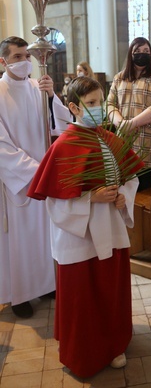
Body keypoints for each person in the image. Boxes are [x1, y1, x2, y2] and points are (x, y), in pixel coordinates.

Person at [27, 76, 144, 377]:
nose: (98, 109)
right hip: (78, 237)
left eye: (100, 102)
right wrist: (89, 198)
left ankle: (114, 343)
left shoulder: (111, 139)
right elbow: (53, 201)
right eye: (91, 104)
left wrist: (123, 196)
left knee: (109, 290)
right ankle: (82, 352)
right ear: (73, 108)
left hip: (111, 229)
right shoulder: (63, 146)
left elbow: (132, 177)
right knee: (82, 297)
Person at [0, 36, 70, 318]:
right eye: (17, 57)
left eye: (26, 55)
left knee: (45, 233)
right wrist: (34, 169)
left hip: (44, 174)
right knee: (21, 237)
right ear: (3, 61)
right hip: (19, 180)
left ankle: (46, 283)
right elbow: (1, 145)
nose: (23, 61)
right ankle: (20, 294)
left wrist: (52, 96)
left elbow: (61, 126)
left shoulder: (36, 87)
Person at [108, 37, 151, 190]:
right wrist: (121, 123)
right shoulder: (119, 78)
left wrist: (131, 124)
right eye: (138, 51)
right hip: (126, 144)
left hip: (149, 145)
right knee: (126, 192)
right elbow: (109, 105)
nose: (142, 54)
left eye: (146, 51)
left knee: (147, 191)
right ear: (131, 54)